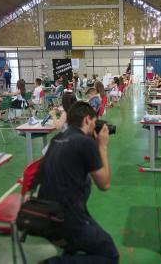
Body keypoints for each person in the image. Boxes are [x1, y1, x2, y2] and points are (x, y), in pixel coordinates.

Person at [39, 101, 119, 264]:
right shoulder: (85, 143)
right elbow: (104, 184)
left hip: (45, 214)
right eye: (95, 122)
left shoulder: (57, 139)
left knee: (80, 246)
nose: (95, 127)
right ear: (87, 120)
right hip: (66, 219)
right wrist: (102, 147)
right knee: (111, 255)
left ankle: (68, 255)